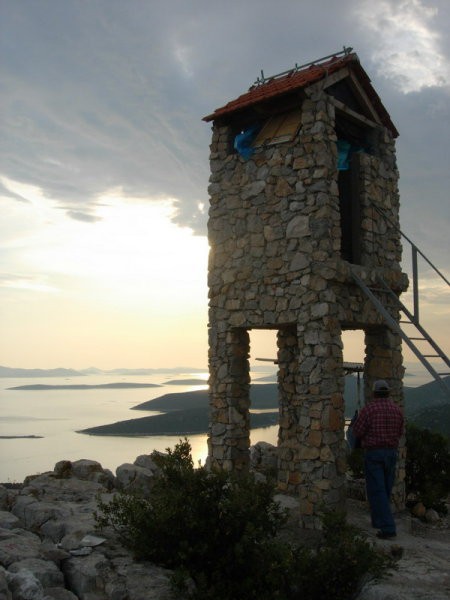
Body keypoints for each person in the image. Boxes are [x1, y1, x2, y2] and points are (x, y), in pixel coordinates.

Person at [352, 379, 404, 539]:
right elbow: (400, 432)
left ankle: (388, 528)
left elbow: (358, 431)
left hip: (374, 454)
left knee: (377, 490)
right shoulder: (397, 410)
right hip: (391, 454)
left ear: (374, 393)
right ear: (388, 393)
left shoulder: (369, 410)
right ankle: (377, 521)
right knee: (385, 490)